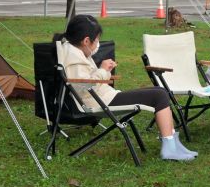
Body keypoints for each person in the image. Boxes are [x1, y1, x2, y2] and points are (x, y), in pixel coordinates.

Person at [55, 15, 196, 161]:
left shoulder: (74, 51)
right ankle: (170, 146)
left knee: (160, 92)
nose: (97, 44)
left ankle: (172, 143)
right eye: (96, 40)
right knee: (159, 96)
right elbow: (82, 85)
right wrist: (103, 70)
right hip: (100, 102)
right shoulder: (74, 58)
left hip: (103, 98)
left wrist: (104, 71)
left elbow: (86, 80)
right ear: (86, 41)